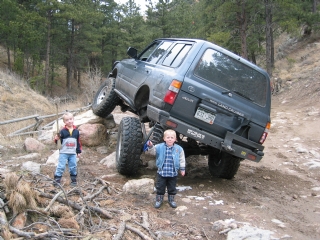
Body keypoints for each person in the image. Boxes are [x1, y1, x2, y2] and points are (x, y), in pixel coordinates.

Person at [147, 129, 186, 208]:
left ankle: (171, 199)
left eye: (172, 137)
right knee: (160, 187)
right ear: (164, 138)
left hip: (173, 173)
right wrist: (150, 146)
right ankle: (159, 199)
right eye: (168, 137)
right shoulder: (159, 147)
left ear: (175, 139)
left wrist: (182, 169)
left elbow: (182, 159)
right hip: (162, 173)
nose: (170, 139)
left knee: (172, 187)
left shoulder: (179, 149)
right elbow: (152, 152)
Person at [53, 112, 82, 187]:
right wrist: (56, 139)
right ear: (64, 122)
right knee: (61, 166)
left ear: (73, 119)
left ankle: (73, 180)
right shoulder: (62, 131)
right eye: (67, 120)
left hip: (72, 153)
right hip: (64, 152)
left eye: (70, 119)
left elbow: (78, 142)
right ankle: (57, 180)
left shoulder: (76, 131)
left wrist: (78, 151)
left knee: (73, 166)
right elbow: (58, 142)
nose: (69, 121)